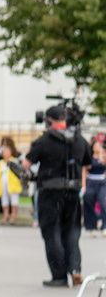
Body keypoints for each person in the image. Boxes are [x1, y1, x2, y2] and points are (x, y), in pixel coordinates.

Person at [25, 107, 93, 286]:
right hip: (72, 192)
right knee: (72, 231)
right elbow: (88, 162)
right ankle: (75, 269)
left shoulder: (45, 140)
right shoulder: (79, 139)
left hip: (50, 193)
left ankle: (59, 275)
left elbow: (26, 163)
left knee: (52, 232)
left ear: (49, 121)